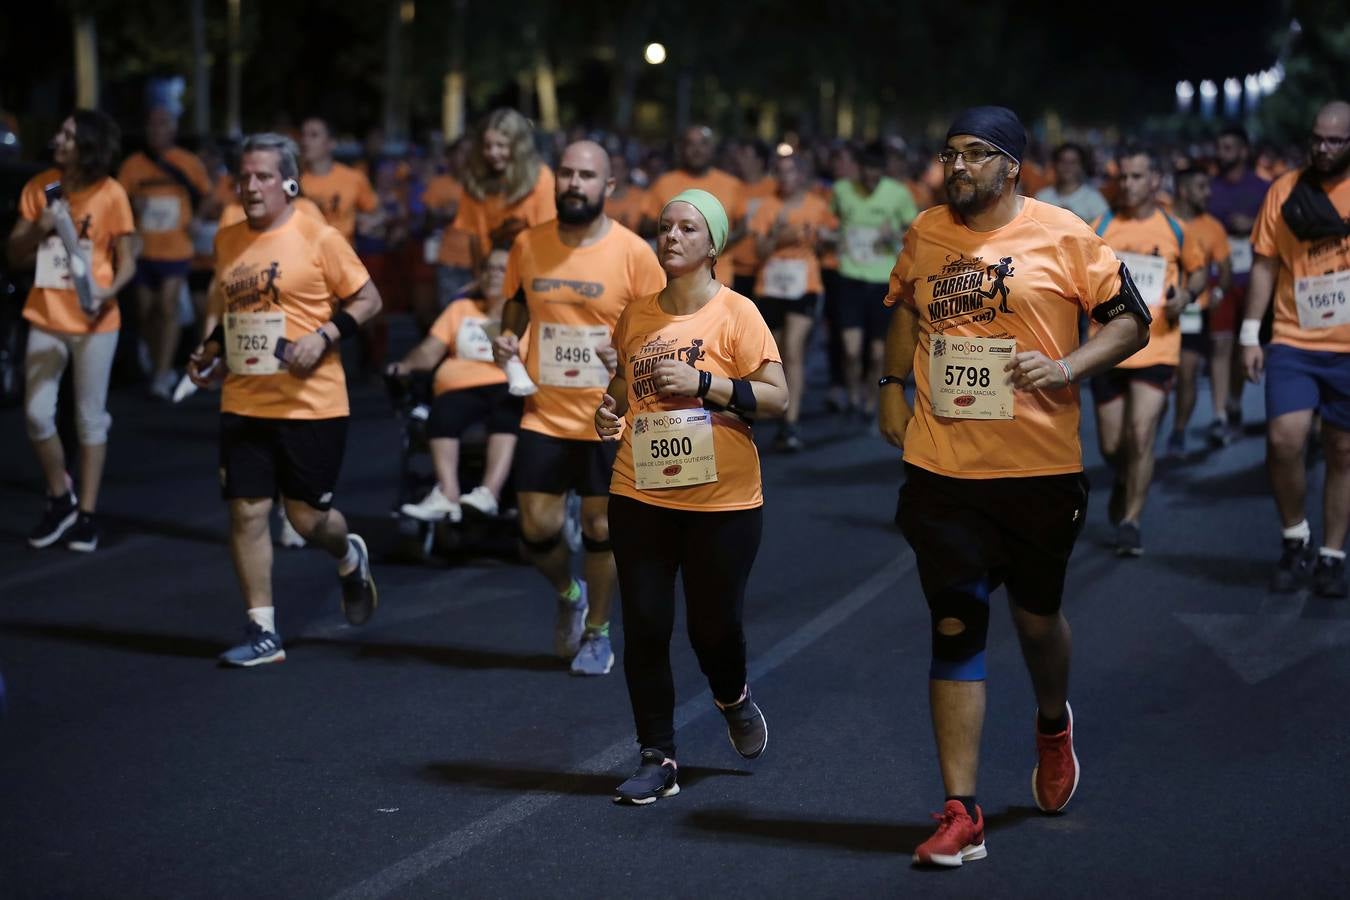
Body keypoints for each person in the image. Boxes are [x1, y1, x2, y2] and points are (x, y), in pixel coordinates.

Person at [878, 106, 1150, 867]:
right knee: (956, 621)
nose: (957, 166)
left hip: (1039, 470)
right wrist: (891, 384)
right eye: (949, 152)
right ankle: (962, 811)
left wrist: (1065, 367)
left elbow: (1133, 322)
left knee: (1037, 623)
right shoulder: (927, 231)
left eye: (975, 154)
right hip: (943, 467)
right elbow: (903, 305)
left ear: (1011, 167)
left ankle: (1053, 720)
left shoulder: (1064, 233)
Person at [596, 188, 787, 804]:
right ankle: (657, 755)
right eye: (664, 226)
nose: (671, 237)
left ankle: (732, 697)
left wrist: (707, 383)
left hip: (722, 502)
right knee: (647, 625)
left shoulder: (737, 313)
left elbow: (778, 398)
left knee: (714, 629)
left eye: (686, 228)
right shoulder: (636, 314)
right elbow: (625, 386)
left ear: (713, 246)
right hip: (640, 490)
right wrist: (610, 413)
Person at [186, 133, 382, 666]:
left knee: (306, 520)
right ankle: (262, 632)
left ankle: (348, 552)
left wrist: (324, 336)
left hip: (310, 402)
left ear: (288, 181)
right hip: (245, 397)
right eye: (244, 177)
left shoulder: (318, 237)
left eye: (263, 176)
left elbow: (368, 298)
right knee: (246, 511)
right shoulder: (228, 241)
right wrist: (208, 350)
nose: (251, 186)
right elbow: (226, 306)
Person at [492, 141, 666, 676]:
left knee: (599, 526)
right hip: (544, 410)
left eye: (586, 175)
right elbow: (519, 298)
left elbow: (663, 329)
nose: (573, 183)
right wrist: (508, 335)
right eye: (565, 173)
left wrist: (630, 352)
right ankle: (570, 593)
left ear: (608, 187)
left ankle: (597, 631)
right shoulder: (529, 244)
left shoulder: (635, 254)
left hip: (607, 414)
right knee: (536, 531)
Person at [8, 110, 137, 552]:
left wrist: (107, 291)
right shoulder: (42, 188)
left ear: (88, 144)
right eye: (60, 131)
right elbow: (14, 252)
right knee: (37, 414)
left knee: (89, 418)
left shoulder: (111, 193)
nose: (58, 138)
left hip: (95, 320)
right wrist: (38, 230)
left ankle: (87, 516)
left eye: (68, 134)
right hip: (46, 313)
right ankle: (60, 498)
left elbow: (128, 261)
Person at [1241, 101, 1350, 598]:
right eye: (1317, 139)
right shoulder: (1283, 190)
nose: (1323, 148)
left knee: (1342, 450)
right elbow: (1264, 264)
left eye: (1335, 141)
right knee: (1285, 441)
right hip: (1293, 337)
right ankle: (1294, 537)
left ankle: (1332, 553)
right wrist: (1249, 334)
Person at [1089, 147, 1205, 555]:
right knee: (1110, 446)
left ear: (1155, 181)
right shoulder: (1099, 225)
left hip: (1158, 346)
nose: (1128, 184)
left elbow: (1200, 268)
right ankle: (1123, 478)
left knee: (1141, 435)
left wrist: (1186, 295)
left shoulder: (1173, 228)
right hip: (1106, 348)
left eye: (1137, 177)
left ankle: (1131, 520)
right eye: (1123, 177)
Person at [390, 247, 522, 522]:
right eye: (489, 269)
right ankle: (447, 495)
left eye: (502, 269)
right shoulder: (460, 309)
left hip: (505, 384)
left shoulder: (524, 315)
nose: (494, 275)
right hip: (460, 386)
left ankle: (489, 493)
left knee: (508, 412)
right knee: (442, 412)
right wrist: (406, 364)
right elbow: (429, 350)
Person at [118, 107, 214, 399]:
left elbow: (208, 194)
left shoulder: (187, 162)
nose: (157, 129)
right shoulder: (133, 165)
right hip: (144, 248)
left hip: (176, 248)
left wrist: (198, 217)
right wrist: (132, 212)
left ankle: (161, 373)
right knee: (146, 311)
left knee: (168, 306)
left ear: (173, 129)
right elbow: (119, 199)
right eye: (153, 124)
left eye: (163, 124)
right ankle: (154, 350)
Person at [749, 151, 837, 450]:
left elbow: (832, 243)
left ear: (801, 175)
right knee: (774, 355)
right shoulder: (767, 207)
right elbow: (759, 251)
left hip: (805, 284)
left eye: (790, 172)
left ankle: (791, 423)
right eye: (780, 172)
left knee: (793, 349)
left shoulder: (817, 206)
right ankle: (776, 406)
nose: (784, 178)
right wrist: (779, 238)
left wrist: (823, 238)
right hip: (772, 285)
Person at [831, 140, 918, 419]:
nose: (872, 175)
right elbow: (830, 222)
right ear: (859, 168)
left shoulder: (899, 194)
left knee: (879, 352)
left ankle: (870, 399)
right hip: (850, 277)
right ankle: (854, 392)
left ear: (884, 169)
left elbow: (914, 232)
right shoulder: (841, 190)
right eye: (867, 169)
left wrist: (893, 235)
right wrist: (833, 238)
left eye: (877, 170)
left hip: (884, 281)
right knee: (852, 349)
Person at [1209, 125, 1272, 444]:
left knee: (1240, 347)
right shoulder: (1208, 188)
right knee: (1220, 344)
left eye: (1230, 147)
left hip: (1254, 278)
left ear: (1244, 151)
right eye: (1220, 147)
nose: (1223, 153)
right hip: (1219, 278)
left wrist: (1252, 225)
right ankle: (1220, 415)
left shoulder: (1264, 188)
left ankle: (1234, 402)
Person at [1167, 159, 1232, 458]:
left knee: (1188, 373)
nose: (1208, 193)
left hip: (1195, 310)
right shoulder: (1162, 220)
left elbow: (1226, 268)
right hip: (1157, 312)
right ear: (1183, 189)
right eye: (1201, 187)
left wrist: (1217, 289)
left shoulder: (1213, 227)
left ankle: (1179, 431)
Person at [454, 108, 557, 273]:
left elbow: (547, 235)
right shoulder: (474, 180)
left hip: (531, 270)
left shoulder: (541, 178)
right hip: (492, 272)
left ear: (518, 146)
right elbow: (474, 237)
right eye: (488, 146)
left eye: (501, 145)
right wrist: (480, 278)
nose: (493, 153)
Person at [640, 126, 745, 286]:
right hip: (671, 280)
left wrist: (713, 242)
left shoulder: (732, 185)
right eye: (690, 144)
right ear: (682, 148)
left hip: (719, 278)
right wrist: (675, 223)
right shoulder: (664, 183)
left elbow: (743, 228)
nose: (697, 150)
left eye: (703, 144)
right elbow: (645, 226)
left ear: (712, 149)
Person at [299, 117, 380, 245]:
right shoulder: (294, 180)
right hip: (306, 257)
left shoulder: (354, 178)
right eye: (303, 135)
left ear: (331, 143)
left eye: (314, 135)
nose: (305, 141)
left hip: (343, 257)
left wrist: (368, 222)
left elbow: (376, 213)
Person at [1035, 143, 1110, 224]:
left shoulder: (1094, 198)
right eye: (1063, 161)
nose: (1067, 166)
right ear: (1055, 165)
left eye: (1073, 162)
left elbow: (1105, 228)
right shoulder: (1042, 197)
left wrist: (1074, 219)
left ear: (1081, 166)